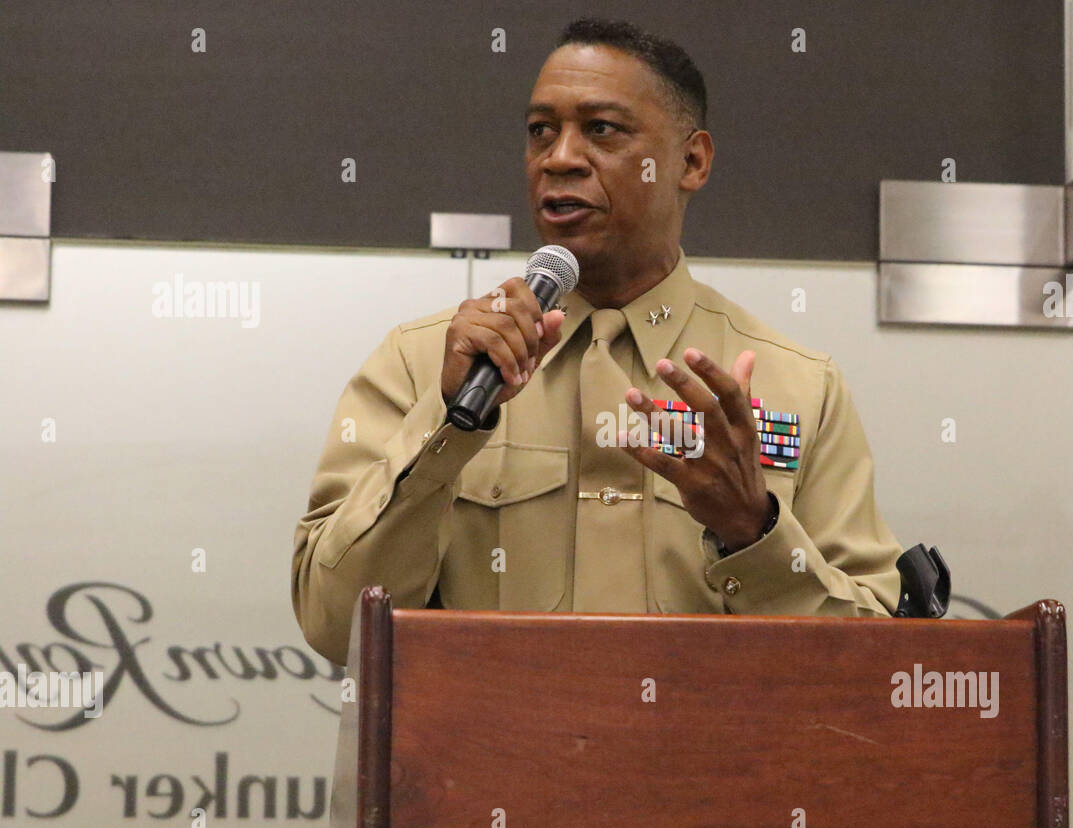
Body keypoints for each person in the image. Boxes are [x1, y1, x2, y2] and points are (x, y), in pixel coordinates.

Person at [292, 18, 903, 666]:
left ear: (691, 161)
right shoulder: (423, 365)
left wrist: (753, 531)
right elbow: (337, 627)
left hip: (709, 767)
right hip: (487, 765)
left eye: (601, 129)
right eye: (541, 132)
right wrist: (447, 423)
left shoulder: (800, 385)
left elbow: (873, 662)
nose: (559, 157)